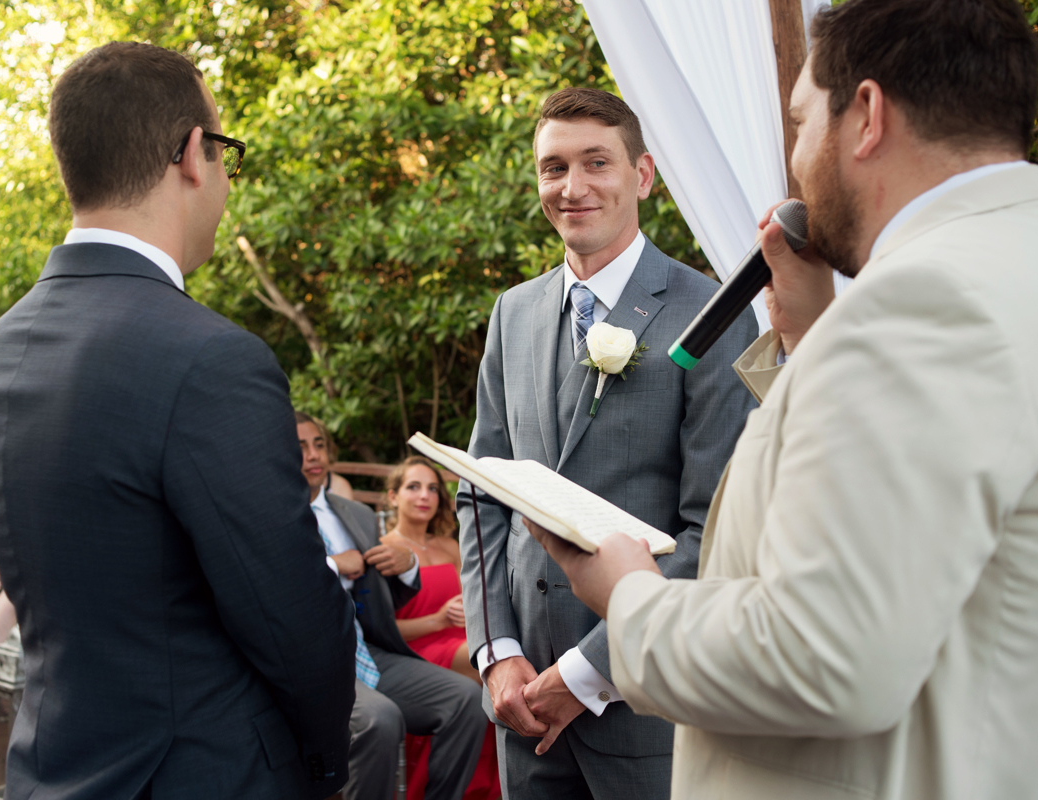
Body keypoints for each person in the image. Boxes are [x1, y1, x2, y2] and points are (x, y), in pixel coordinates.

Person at [527, 1, 1038, 799]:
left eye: (800, 122)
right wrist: (811, 337)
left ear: (865, 116)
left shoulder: (922, 310)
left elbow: (822, 657)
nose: (795, 160)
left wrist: (628, 596)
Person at [0, 42, 355, 799]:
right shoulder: (210, 359)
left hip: (52, 768)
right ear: (193, 155)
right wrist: (324, 767)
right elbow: (292, 615)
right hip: (204, 772)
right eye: (227, 151)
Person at [456, 86, 758, 799]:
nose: (573, 186)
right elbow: (481, 492)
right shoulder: (514, 313)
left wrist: (586, 674)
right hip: (523, 712)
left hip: (645, 716)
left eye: (597, 162)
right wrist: (497, 655)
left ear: (642, 175)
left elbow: (714, 528)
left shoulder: (711, 315)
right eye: (553, 167)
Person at [297, 413, 486, 800]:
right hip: (310, 659)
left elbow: (387, 603)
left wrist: (408, 566)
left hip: (368, 651)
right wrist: (333, 565)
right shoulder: (271, 516)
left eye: (319, 444)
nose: (313, 455)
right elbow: (269, 586)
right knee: (381, 720)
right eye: (300, 446)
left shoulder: (356, 514)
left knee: (468, 699)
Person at [386, 457, 500, 800]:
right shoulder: (384, 549)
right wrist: (438, 619)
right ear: (393, 496)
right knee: (490, 661)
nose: (425, 496)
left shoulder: (450, 546)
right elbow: (381, 630)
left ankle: (491, 784)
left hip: (462, 640)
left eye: (433, 488)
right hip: (416, 649)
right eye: (413, 487)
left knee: (496, 657)